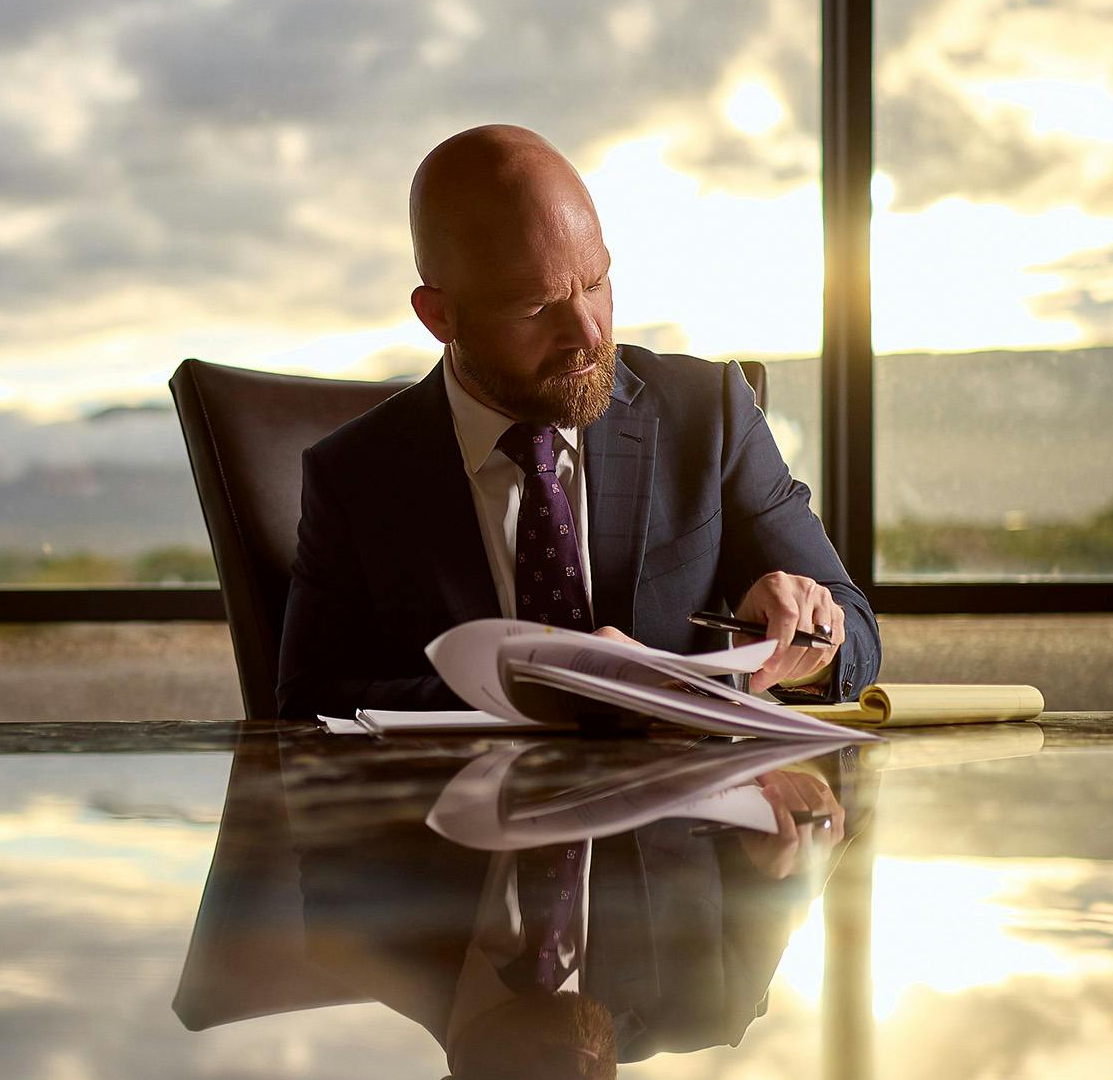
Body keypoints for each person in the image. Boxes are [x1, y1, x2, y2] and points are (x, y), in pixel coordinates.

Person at [277, 124, 879, 719]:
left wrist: (812, 641)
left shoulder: (708, 411)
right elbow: (308, 700)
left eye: (595, 284)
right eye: (536, 308)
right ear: (439, 316)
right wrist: (534, 691)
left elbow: (856, 636)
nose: (589, 335)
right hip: (466, 809)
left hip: (688, 809)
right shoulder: (354, 476)